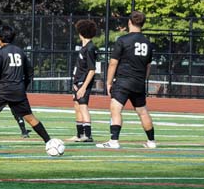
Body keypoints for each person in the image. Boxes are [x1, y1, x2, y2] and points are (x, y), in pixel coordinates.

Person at [0, 25, 56, 151]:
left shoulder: (0, 53)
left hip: (2, 90)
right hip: (18, 90)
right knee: (29, 117)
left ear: (0, 38)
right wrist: (23, 87)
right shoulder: (20, 51)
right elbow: (29, 72)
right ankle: (49, 141)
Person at [96, 10, 156, 149]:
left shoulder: (122, 40)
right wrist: (142, 80)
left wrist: (109, 82)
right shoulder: (147, 43)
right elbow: (148, 66)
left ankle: (114, 141)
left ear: (129, 22)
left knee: (115, 109)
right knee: (142, 111)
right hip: (139, 82)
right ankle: (151, 142)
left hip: (123, 81)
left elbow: (113, 63)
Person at [67, 19, 99, 142]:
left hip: (83, 83)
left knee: (83, 106)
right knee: (77, 106)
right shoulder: (84, 47)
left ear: (81, 32)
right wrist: (75, 83)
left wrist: (83, 87)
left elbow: (92, 70)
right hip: (78, 82)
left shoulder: (90, 48)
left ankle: (88, 135)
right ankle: (79, 134)